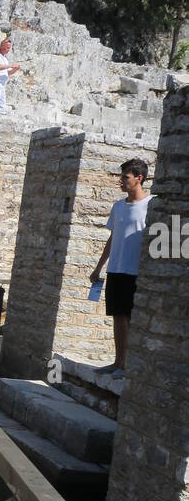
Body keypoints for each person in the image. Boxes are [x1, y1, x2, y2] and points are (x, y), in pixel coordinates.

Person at [89, 158, 152, 374]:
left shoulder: (151, 205)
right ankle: (119, 362)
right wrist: (98, 268)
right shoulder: (118, 206)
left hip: (136, 271)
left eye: (125, 177)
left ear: (139, 178)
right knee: (118, 316)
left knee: (130, 317)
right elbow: (113, 237)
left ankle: (129, 365)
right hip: (115, 268)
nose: (121, 181)